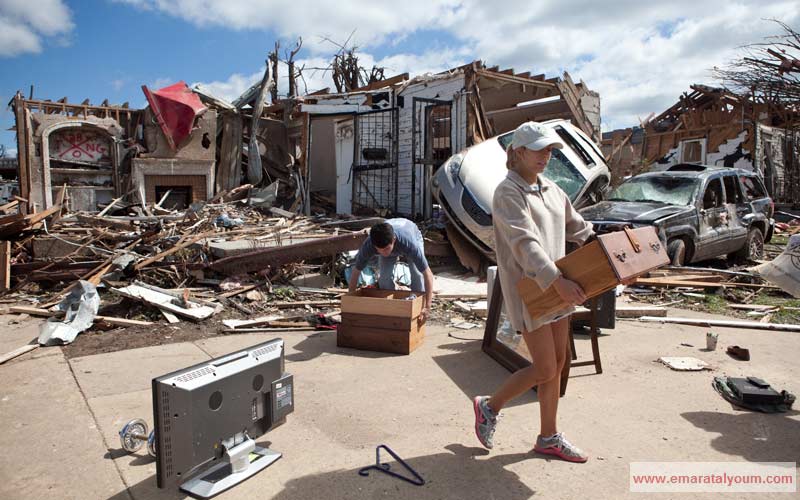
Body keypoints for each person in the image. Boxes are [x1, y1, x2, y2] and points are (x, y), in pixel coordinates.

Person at [472, 122, 595, 463]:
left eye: (550, 150)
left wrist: (610, 246)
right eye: (539, 149)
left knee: (558, 363)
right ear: (519, 152)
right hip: (532, 288)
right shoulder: (507, 193)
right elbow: (525, 244)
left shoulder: (552, 190)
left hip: (558, 285)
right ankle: (489, 406)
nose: (546, 156)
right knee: (543, 368)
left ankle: (548, 437)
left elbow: (578, 227)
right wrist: (557, 281)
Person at [348, 219, 434, 323]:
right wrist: (350, 301)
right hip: (392, 239)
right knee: (384, 280)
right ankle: (392, 311)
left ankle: (417, 311)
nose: (383, 253)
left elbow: (427, 273)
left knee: (417, 274)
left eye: (386, 249)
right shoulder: (369, 245)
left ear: (393, 239)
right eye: (379, 250)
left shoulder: (409, 242)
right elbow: (356, 272)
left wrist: (428, 307)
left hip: (412, 233)